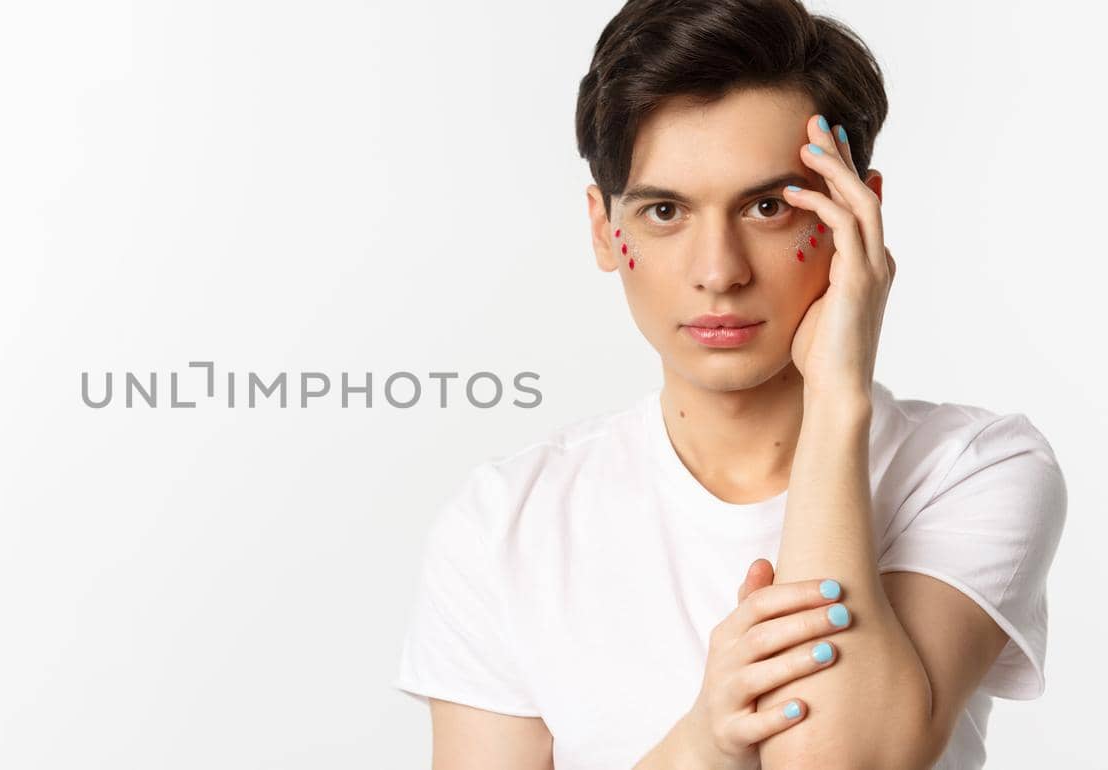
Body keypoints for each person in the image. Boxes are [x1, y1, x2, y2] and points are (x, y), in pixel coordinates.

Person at [390, 1, 1069, 768]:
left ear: (858, 211)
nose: (720, 271)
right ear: (603, 229)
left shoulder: (972, 469)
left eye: (770, 206)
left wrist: (839, 399)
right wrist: (704, 743)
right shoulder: (504, 525)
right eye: (666, 210)